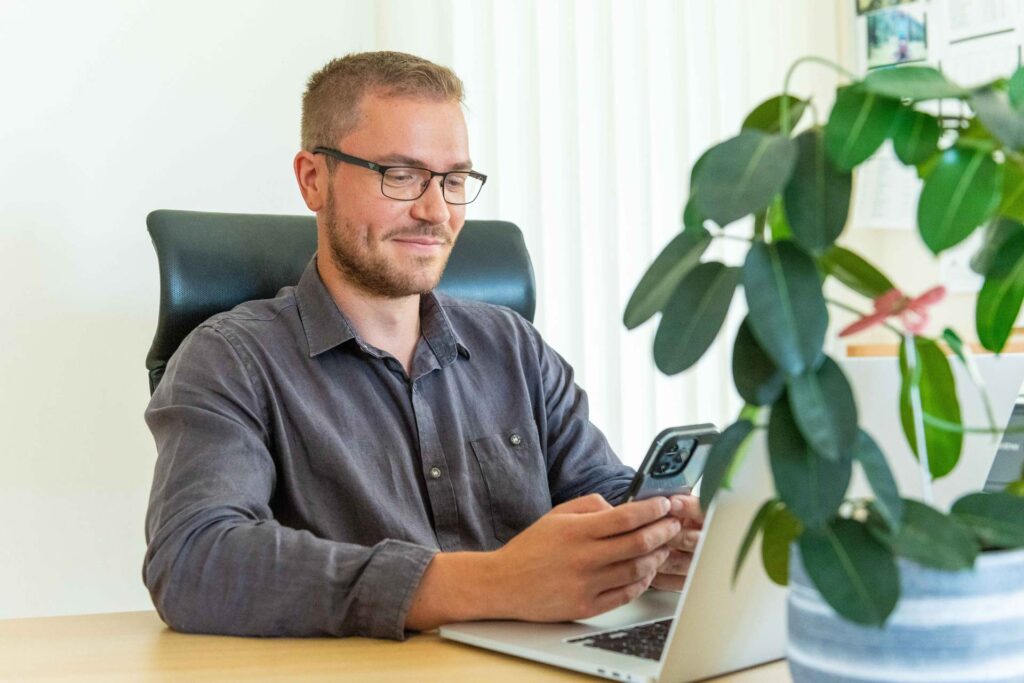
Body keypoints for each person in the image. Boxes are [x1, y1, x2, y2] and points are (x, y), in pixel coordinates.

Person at [143, 51, 704, 640]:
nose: (435, 211)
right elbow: (193, 560)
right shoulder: (231, 359)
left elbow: (603, 492)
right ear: (314, 179)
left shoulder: (514, 347)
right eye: (401, 175)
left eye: (455, 179)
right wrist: (490, 581)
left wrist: (658, 540)